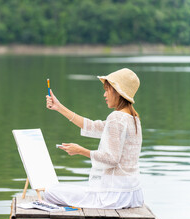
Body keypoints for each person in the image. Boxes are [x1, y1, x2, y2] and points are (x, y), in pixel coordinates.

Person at [45, 68, 143, 209]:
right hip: (131, 195)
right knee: (59, 191)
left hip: (113, 197)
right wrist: (58, 107)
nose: (104, 95)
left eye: (107, 90)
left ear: (117, 91)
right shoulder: (133, 118)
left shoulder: (116, 118)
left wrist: (81, 150)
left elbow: (112, 159)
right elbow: (91, 126)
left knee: (50, 192)